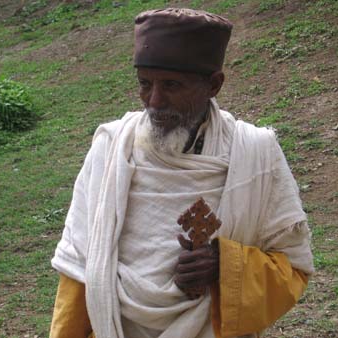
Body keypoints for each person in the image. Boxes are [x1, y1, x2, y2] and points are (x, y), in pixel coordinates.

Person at [49, 8, 314, 338]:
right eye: (145, 84)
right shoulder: (111, 148)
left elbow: (292, 268)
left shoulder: (254, 154)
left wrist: (224, 266)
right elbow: (78, 268)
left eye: (172, 85)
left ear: (214, 85)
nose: (155, 101)